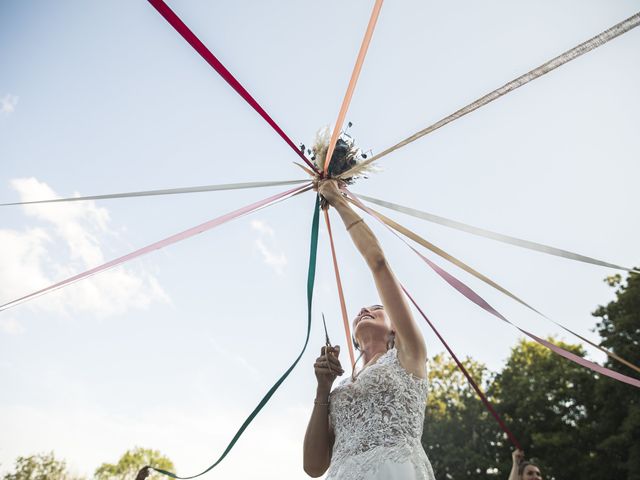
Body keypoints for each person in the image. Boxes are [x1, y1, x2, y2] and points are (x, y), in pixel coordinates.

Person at [303, 179, 435, 479]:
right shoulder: (339, 387)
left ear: (395, 330)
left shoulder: (409, 355)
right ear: (353, 338)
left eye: (377, 309)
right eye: (362, 311)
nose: (365, 309)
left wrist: (338, 201)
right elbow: (313, 467)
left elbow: (377, 262)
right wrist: (323, 387)